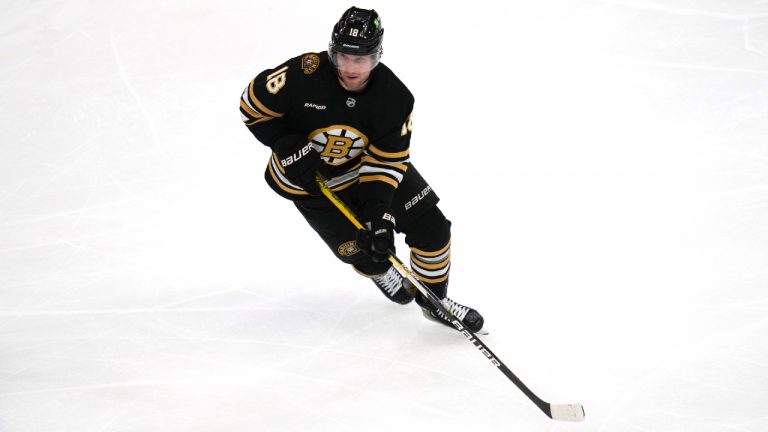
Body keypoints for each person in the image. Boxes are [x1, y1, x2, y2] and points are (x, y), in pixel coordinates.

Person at [240, 6, 484, 333]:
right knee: (368, 255)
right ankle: (381, 271)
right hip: (309, 182)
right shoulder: (304, 73)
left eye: (362, 59)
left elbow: (386, 161)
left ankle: (435, 303)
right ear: (332, 52)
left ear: (378, 56)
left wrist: (378, 212)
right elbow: (251, 105)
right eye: (343, 57)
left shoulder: (395, 98)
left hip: (366, 170)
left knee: (433, 228)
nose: (351, 68)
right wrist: (282, 141)